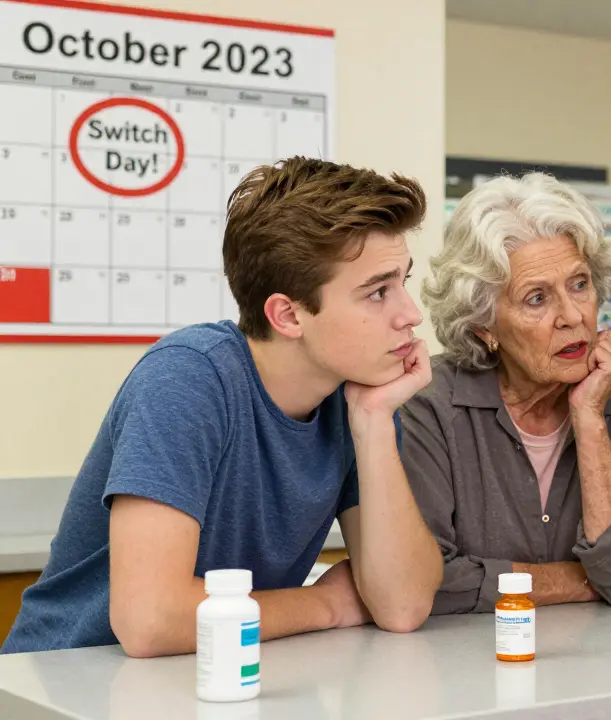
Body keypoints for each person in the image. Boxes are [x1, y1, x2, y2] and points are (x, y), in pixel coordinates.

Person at [2, 158, 444, 657]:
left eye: (402, 282)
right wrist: (325, 606)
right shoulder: (187, 378)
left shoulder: (358, 398)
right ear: (288, 315)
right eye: (378, 292)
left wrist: (374, 424)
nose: (411, 315)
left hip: (204, 677)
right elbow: (150, 621)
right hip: (66, 683)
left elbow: (403, 606)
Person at [400, 171, 611, 614]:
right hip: (466, 666)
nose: (572, 316)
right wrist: (583, 578)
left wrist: (589, 418)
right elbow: (423, 581)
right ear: (483, 326)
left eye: (579, 284)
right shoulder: (424, 405)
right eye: (536, 298)